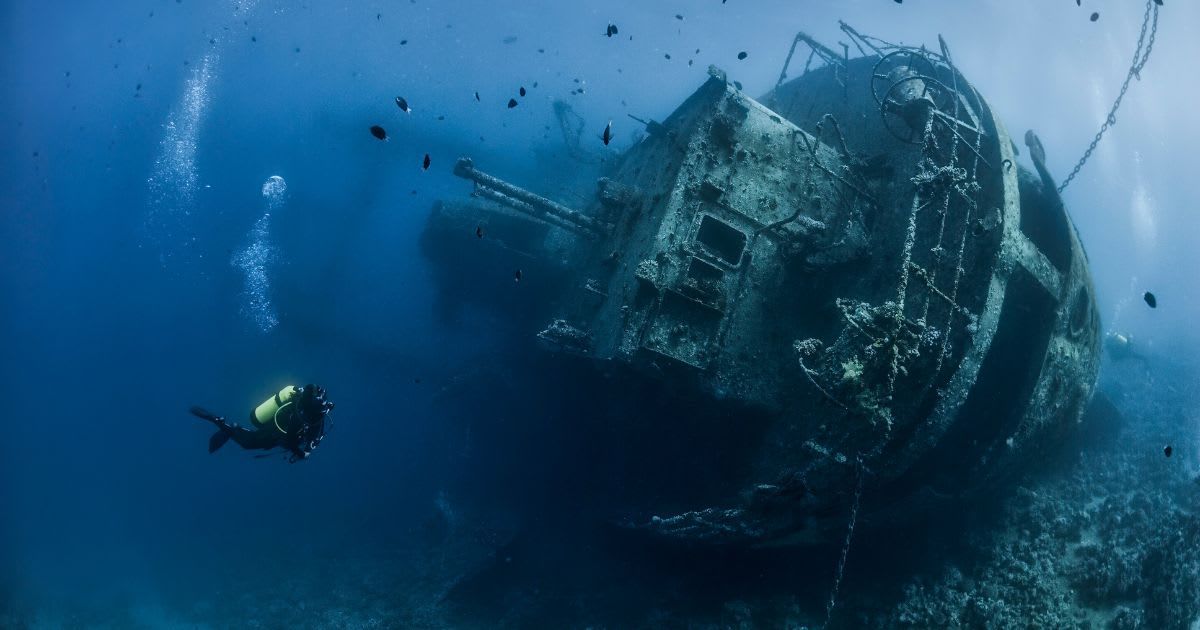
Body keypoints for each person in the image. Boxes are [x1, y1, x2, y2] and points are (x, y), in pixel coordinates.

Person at [191, 384, 334, 462]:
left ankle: (230, 428)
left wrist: (309, 446)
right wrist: (302, 455)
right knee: (248, 443)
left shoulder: (313, 413)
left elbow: (313, 434)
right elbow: (290, 441)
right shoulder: (303, 417)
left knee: (253, 438)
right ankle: (221, 423)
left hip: (277, 422)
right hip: (275, 431)